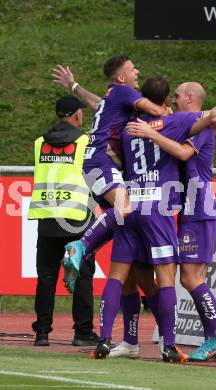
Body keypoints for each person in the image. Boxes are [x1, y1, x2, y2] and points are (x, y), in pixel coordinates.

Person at [91, 76, 216, 362]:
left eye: (180, 96)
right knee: (146, 275)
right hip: (175, 209)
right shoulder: (176, 124)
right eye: (173, 96)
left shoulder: (196, 128)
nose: (175, 100)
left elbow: (180, 152)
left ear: (190, 99)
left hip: (198, 208)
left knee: (191, 278)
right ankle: (145, 340)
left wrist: (152, 131)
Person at [52, 56, 171, 285]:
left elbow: (97, 104)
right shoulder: (125, 92)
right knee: (124, 208)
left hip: (95, 162)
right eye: (132, 68)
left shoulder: (113, 96)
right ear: (121, 77)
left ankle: (81, 254)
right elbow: (151, 108)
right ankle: (80, 247)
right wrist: (171, 114)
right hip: (101, 162)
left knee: (121, 219)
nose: (137, 71)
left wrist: (74, 86)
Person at [28, 96, 98, 347]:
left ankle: (42, 332)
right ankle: (83, 332)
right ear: (78, 115)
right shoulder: (86, 142)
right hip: (77, 217)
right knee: (82, 275)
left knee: (46, 276)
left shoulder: (39, 143)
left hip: (47, 216)